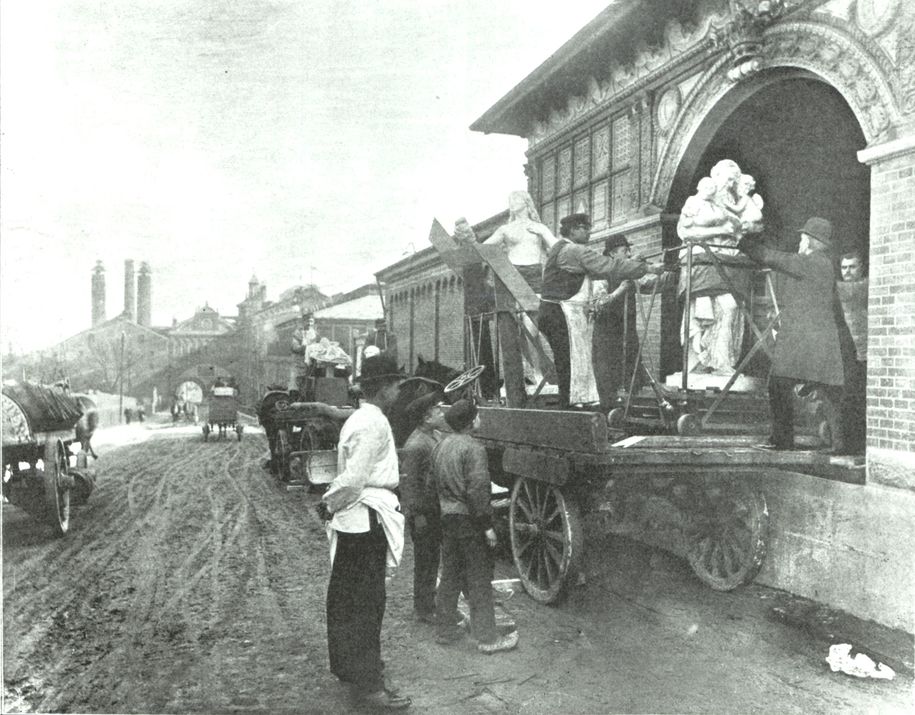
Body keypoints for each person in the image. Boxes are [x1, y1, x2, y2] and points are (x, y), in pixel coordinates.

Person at [319, 353, 411, 710]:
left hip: (357, 519)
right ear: (383, 387)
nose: (400, 391)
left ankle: (354, 671)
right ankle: (370, 685)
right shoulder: (373, 423)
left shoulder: (362, 417)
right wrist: (329, 502)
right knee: (366, 605)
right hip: (366, 520)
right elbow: (355, 480)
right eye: (397, 384)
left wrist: (331, 503)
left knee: (347, 600)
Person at [737, 217, 845, 452]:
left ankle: (782, 440)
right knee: (831, 390)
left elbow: (772, 258)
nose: (799, 242)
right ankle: (842, 443)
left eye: (802, 238)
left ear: (811, 241)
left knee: (778, 384)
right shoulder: (823, 264)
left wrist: (742, 242)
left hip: (806, 342)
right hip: (820, 341)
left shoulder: (812, 262)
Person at [538, 213, 663, 408]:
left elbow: (602, 270)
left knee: (569, 361)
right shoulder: (574, 250)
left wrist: (633, 264)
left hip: (553, 311)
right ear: (573, 230)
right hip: (560, 312)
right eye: (585, 228)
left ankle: (573, 404)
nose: (589, 232)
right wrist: (646, 268)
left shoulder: (560, 249)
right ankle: (569, 408)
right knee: (569, 362)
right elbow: (608, 266)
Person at [431, 399, 518, 654]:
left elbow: (431, 484)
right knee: (479, 578)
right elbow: (478, 491)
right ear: (471, 422)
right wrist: (487, 525)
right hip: (469, 520)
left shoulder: (441, 446)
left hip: (447, 518)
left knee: (450, 576)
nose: (480, 419)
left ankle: (445, 630)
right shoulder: (474, 449)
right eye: (478, 416)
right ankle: (488, 639)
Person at [592, 234, 672, 411]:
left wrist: (667, 272)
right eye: (625, 251)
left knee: (631, 369)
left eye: (629, 251)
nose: (629, 254)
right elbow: (597, 304)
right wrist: (620, 289)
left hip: (626, 331)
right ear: (612, 254)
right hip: (607, 333)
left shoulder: (631, 272)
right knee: (608, 372)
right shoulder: (601, 273)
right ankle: (609, 411)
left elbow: (651, 285)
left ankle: (629, 409)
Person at [399, 391, 448, 623]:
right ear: (427, 418)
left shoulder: (433, 435)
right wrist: (417, 515)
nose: (441, 412)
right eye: (437, 410)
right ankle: (424, 609)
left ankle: (429, 601)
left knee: (432, 559)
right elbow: (409, 484)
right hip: (424, 513)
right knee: (425, 561)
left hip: (434, 510)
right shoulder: (416, 445)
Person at [837, 250, 868, 454]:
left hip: (866, 352)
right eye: (844, 267)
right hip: (846, 354)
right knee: (848, 399)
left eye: (852, 267)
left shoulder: (865, 287)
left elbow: (852, 291)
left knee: (861, 398)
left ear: (861, 268)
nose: (847, 271)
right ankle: (849, 444)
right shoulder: (838, 289)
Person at [291, 313, 318, 397]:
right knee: (298, 383)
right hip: (300, 363)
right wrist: (306, 347)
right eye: (308, 321)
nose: (309, 323)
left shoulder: (314, 333)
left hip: (311, 363)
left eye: (311, 321)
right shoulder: (298, 333)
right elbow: (295, 347)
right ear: (303, 321)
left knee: (309, 384)